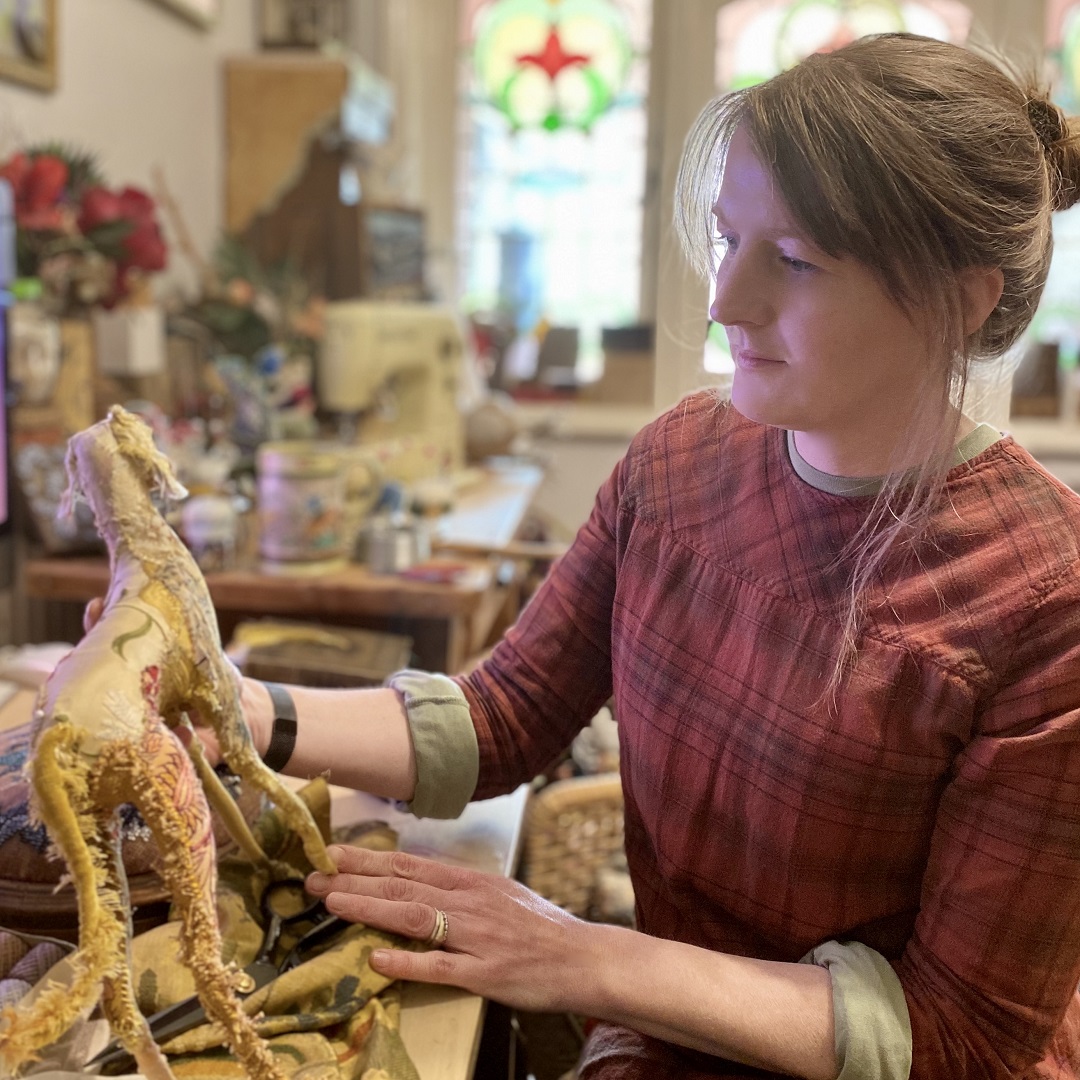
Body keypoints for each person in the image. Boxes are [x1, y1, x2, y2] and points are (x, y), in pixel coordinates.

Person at [89, 32, 1080, 1080]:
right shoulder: (678, 465)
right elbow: (505, 718)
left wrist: (582, 956)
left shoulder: (1042, 600)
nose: (723, 304)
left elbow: (962, 1039)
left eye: (792, 261)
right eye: (725, 237)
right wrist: (236, 708)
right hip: (666, 1031)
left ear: (961, 298)